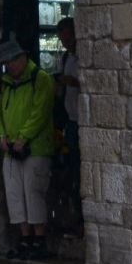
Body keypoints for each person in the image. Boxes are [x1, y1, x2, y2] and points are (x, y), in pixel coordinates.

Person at [0, 38, 55, 260]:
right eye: (5, 64)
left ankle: (39, 239)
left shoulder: (41, 79)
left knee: (33, 192)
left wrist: (24, 137)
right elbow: (0, 112)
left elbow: (40, 112)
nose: (8, 67)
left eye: (10, 62)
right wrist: (1, 135)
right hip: (11, 148)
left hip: (35, 148)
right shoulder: (7, 83)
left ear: (21, 59)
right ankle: (24, 237)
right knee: (15, 194)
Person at [52, 18, 83, 239]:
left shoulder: (83, 56)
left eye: (68, 37)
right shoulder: (66, 58)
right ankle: (74, 220)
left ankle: (81, 223)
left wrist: (71, 81)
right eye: (62, 39)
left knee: (80, 174)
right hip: (71, 121)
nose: (66, 42)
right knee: (72, 172)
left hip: (82, 120)